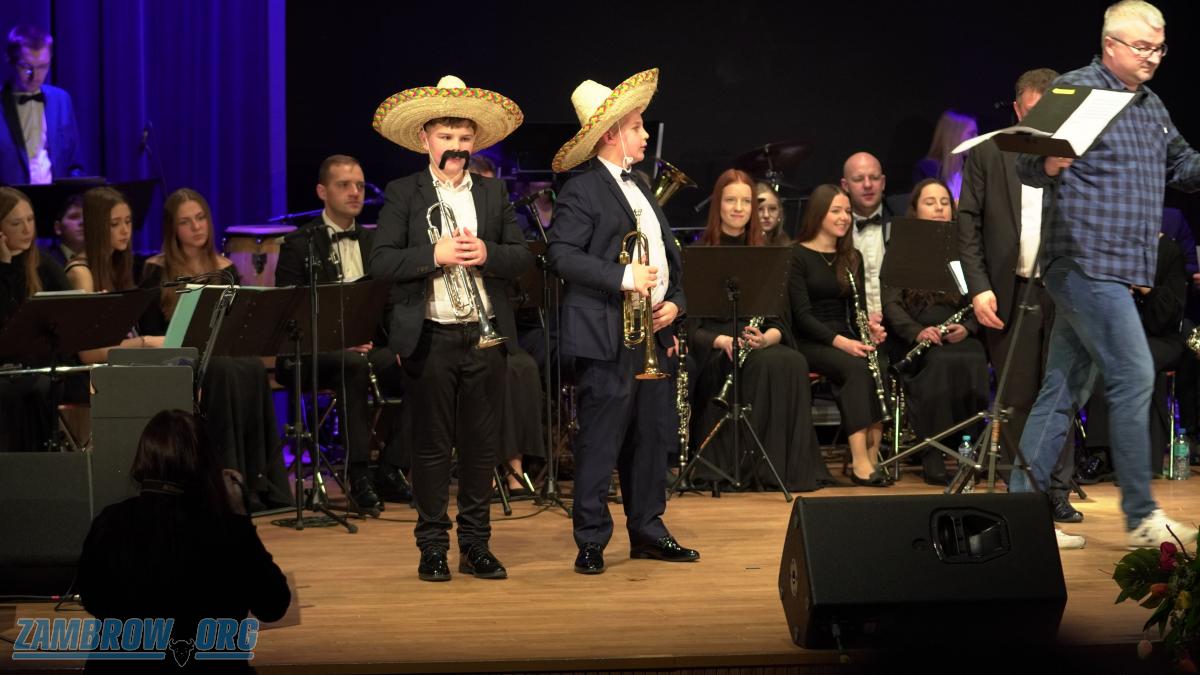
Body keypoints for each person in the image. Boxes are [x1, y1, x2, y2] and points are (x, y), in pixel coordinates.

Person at [1011, 0, 1200, 549]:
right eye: (1142, 47)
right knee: (1135, 372)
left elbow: (1183, 167)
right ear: (1111, 45)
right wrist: (1049, 162)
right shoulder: (1075, 88)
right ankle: (1141, 515)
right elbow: (1026, 161)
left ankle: (1022, 514)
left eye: (1159, 48)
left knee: (1063, 387)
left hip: (1119, 269)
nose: (1153, 57)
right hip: (1084, 261)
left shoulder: (1151, 104)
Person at [370, 75, 531, 581]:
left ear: (474, 142)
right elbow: (381, 262)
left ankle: (476, 545)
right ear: (425, 140)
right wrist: (434, 254)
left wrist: (487, 253)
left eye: (464, 137)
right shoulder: (405, 192)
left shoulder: (493, 192)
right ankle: (433, 546)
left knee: (482, 448)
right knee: (431, 447)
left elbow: (522, 257)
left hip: (484, 334)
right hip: (430, 334)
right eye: (446, 137)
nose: (456, 146)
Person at [548, 67, 699, 575]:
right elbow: (561, 254)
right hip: (607, 333)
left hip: (651, 331)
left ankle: (648, 529)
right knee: (601, 438)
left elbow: (668, 258)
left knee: (651, 437)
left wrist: (675, 304)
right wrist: (621, 276)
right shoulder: (582, 188)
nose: (645, 134)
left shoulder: (641, 186)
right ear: (611, 134)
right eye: (637, 126)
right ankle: (591, 538)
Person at [957, 67, 1086, 531]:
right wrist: (978, 287)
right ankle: (1022, 494)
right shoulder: (989, 151)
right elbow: (967, 222)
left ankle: (1056, 491)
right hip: (1010, 287)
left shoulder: (1080, 150)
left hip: (1066, 289)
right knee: (1016, 396)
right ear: (1017, 110)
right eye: (1034, 112)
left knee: (1061, 393)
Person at [76, 410, 290, 672]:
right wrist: (240, 519)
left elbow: (93, 599)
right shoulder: (224, 528)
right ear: (206, 464)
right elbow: (273, 606)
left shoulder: (111, 521)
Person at [140, 188, 291, 512]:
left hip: (219, 354)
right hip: (176, 357)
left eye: (200, 218)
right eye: (186, 222)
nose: (197, 227)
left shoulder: (225, 268)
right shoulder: (156, 269)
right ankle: (226, 483)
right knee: (222, 370)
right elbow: (150, 330)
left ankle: (259, 482)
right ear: (172, 229)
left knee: (252, 366)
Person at [275, 154, 403, 516]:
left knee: (421, 362)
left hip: (367, 347)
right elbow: (289, 313)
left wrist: (402, 343)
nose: (355, 192)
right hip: (313, 351)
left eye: (359, 185)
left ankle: (391, 466)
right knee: (352, 364)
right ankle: (357, 474)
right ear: (322, 191)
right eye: (343, 185)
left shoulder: (376, 242)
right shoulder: (298, 244)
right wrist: (339, 340)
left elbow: (390, 302)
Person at [689, 169, 831, 492]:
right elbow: (691, 328)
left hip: (757, 342)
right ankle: (745, 467)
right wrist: (723, 341)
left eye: (746, 201)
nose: (739, 208)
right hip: (716, 349)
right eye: (731, 200)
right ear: (718, 205)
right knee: (769, 365)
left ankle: (784, 470)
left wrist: (766, 338)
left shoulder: (768, 253)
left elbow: (779, 321)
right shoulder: (700, 253)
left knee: (792, 361)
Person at [882, 178, 988, 485]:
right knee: (939, 362)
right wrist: (917, 332)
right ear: (915, 209)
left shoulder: (964, 248)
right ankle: (933, 452)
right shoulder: (902, 248)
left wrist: (967, 328)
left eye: (944, 202)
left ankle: (970, 448)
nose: (939, 208)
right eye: (930, 202)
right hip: (915, 339)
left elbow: (976, 295)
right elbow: (891, 304)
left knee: (975, 356)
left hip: (958, 334)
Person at [789, 184, 890, 487]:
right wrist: (842, 343)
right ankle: (859, 461)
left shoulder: (851, 257)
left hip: (846, 335)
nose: (844, 217)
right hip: (811, 340)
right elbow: (801, 316)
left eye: (847, 211)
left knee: (879, 364)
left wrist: (869, 330)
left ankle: (872, 456)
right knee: (856, 368)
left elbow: (856, 309)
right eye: (836, 211)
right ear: (818, 213)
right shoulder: (796, 255)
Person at [0, 186, 68, 452]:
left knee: (43, 385)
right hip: (7, 369)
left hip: (42, 364)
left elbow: (72, 310)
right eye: (16, 223)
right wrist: (5, 266)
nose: (27, 229)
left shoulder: (44, 264)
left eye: (30, 219)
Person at [64, 186, 165, 362]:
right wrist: (146, 342)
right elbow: (88, 353)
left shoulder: (118, 265)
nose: (125, 230)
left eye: (128, 221)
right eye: (115, 224)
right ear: (97, 227)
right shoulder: (81, 273)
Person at [0, 25, 83, 185]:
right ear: (9, 59)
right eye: (26, 67)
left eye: (43, 67)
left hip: (55, 198)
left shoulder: (61, 100)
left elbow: (74, 164)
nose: (36, 76)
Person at [841, 152, 906, 317]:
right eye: (858, 179)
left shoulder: (901, 216)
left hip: (900, 323)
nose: (868, 184)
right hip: (854, 325)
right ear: (845, 185)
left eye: (874, 178)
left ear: (883, 183)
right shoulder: (836, 228)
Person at [914, 109, 978, 202]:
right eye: (971, 134)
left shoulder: (971, 172)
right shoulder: (926, 171)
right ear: (953, 136)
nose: (977, 139)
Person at [46, 193, 84, 267]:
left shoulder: (103, 260)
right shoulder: (44, 262)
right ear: (58, 228)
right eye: (74, 217)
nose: (82, 222)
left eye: (87, 217)